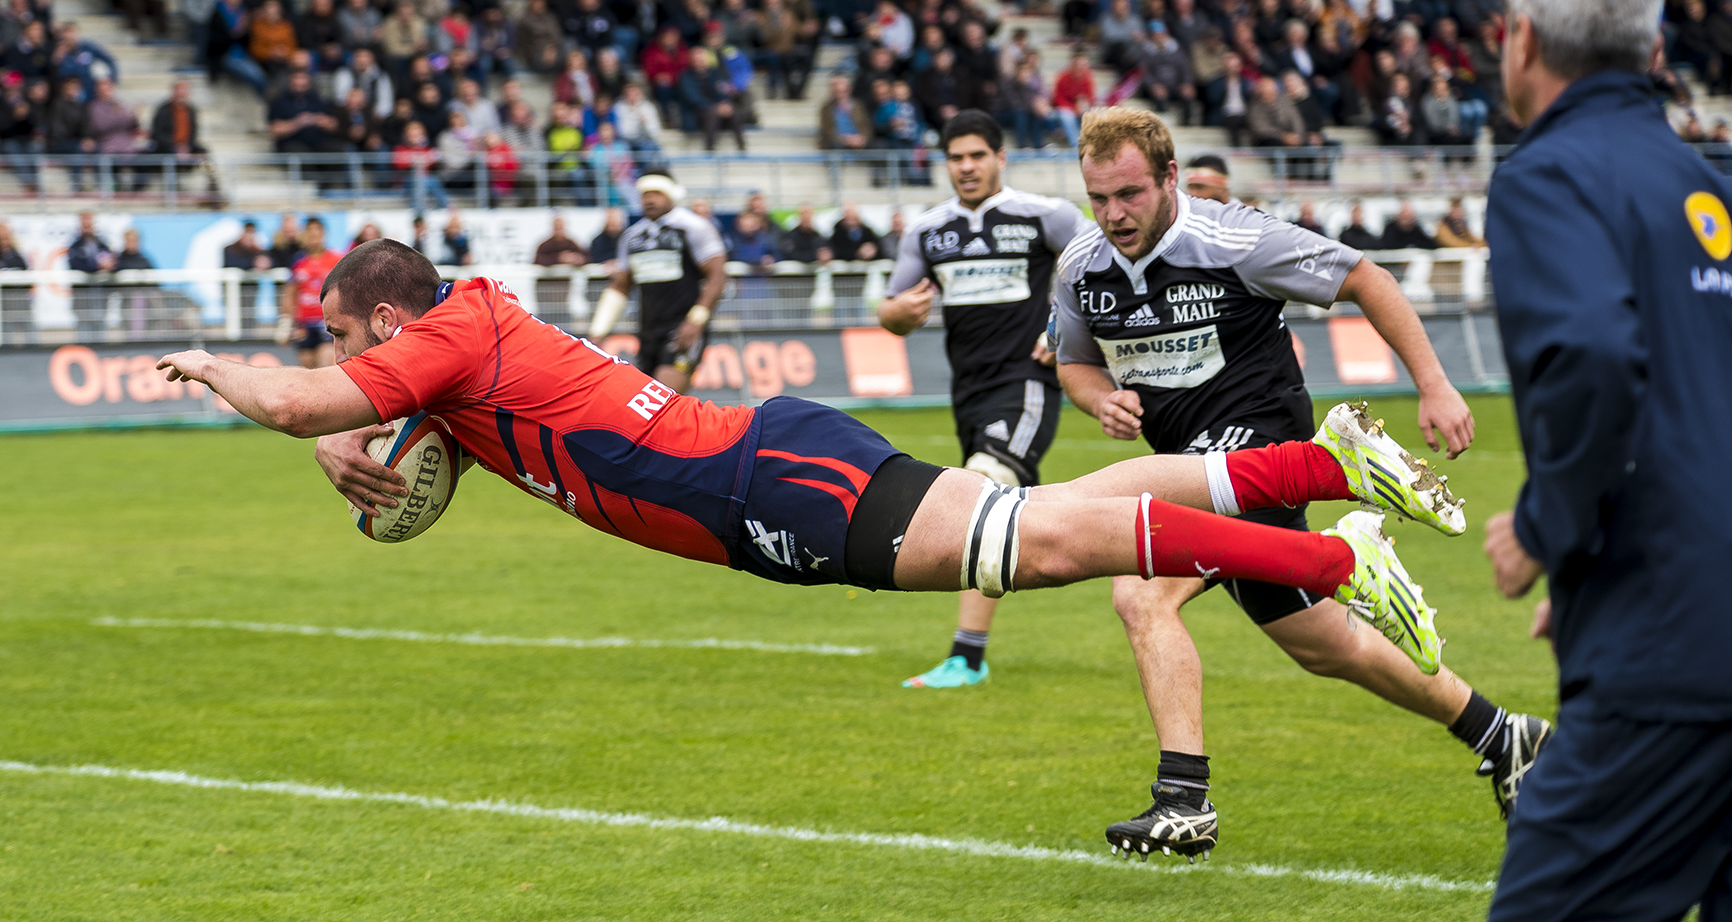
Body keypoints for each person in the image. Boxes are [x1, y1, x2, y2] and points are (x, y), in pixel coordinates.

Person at [154, 242, 1454, 720]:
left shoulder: (437, 341)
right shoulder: (461, 341)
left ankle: (1337, 555)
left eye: (336, 333)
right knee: (1052, 524)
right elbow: (383, 411)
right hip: (767, 456)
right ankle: (1327, 464)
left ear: (381, 326)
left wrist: (215, 365)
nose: (328, 353)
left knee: (1054, 542)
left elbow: (297, 395)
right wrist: (352, 434)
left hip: (763, 485)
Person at [1054, 107, 1548, 857]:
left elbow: (1366, 277)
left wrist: (1435, 385)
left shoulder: (1234, 237)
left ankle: (1183, 797)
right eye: (1100, 199)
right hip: (1184, 458)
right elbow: (1074, 360)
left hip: (1261, 447)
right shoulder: (1082, 267)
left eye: (1130, 194)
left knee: (1141, 587)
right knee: (1325, 644)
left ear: (1169, 177)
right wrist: (1100, 398)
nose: (1115, 215)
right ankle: (1501, 732)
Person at [1476, 0, 1732, 922]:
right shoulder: (1700, 186)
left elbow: (1588, 354)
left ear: (1520, 40)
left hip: (1677, 648)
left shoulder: (1548, 175)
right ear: (1657, 54)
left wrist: (1547, 530)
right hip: (1686, 596)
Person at [880, 111, 1085, 690]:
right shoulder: (927, 231)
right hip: (966, 391)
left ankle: (966, 657)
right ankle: (1104, 549)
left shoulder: (1046, 216)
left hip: (1025, 385)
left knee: (978, 495)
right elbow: (893, 307)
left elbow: (1102, 271)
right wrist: (895, 315)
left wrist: (1063, 327)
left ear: (1000, 157)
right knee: (1003, 513)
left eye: (977, 155)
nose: (966, 167)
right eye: (956, 158)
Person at [589, 173, 726, 394]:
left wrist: (696, 321)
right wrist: (597, 332)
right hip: (647, 332)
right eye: (645, 195)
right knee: (650, 411)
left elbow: (717, 276)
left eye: (656, 194)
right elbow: (621, 286)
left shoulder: (693, 227)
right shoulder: (632, 237)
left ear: (671, 195)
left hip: (682, 329)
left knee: (660, 399)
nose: (649, 200)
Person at [288, 216, 343, 367]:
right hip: (304, 324)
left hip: (326, 323)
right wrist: (287, 324)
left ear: (324, 233)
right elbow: (290, 294)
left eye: (316, 231)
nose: (313, 235)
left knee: (324, 366)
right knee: (307, 372)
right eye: (309, 231)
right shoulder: (298, 262)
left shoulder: (336, 259)